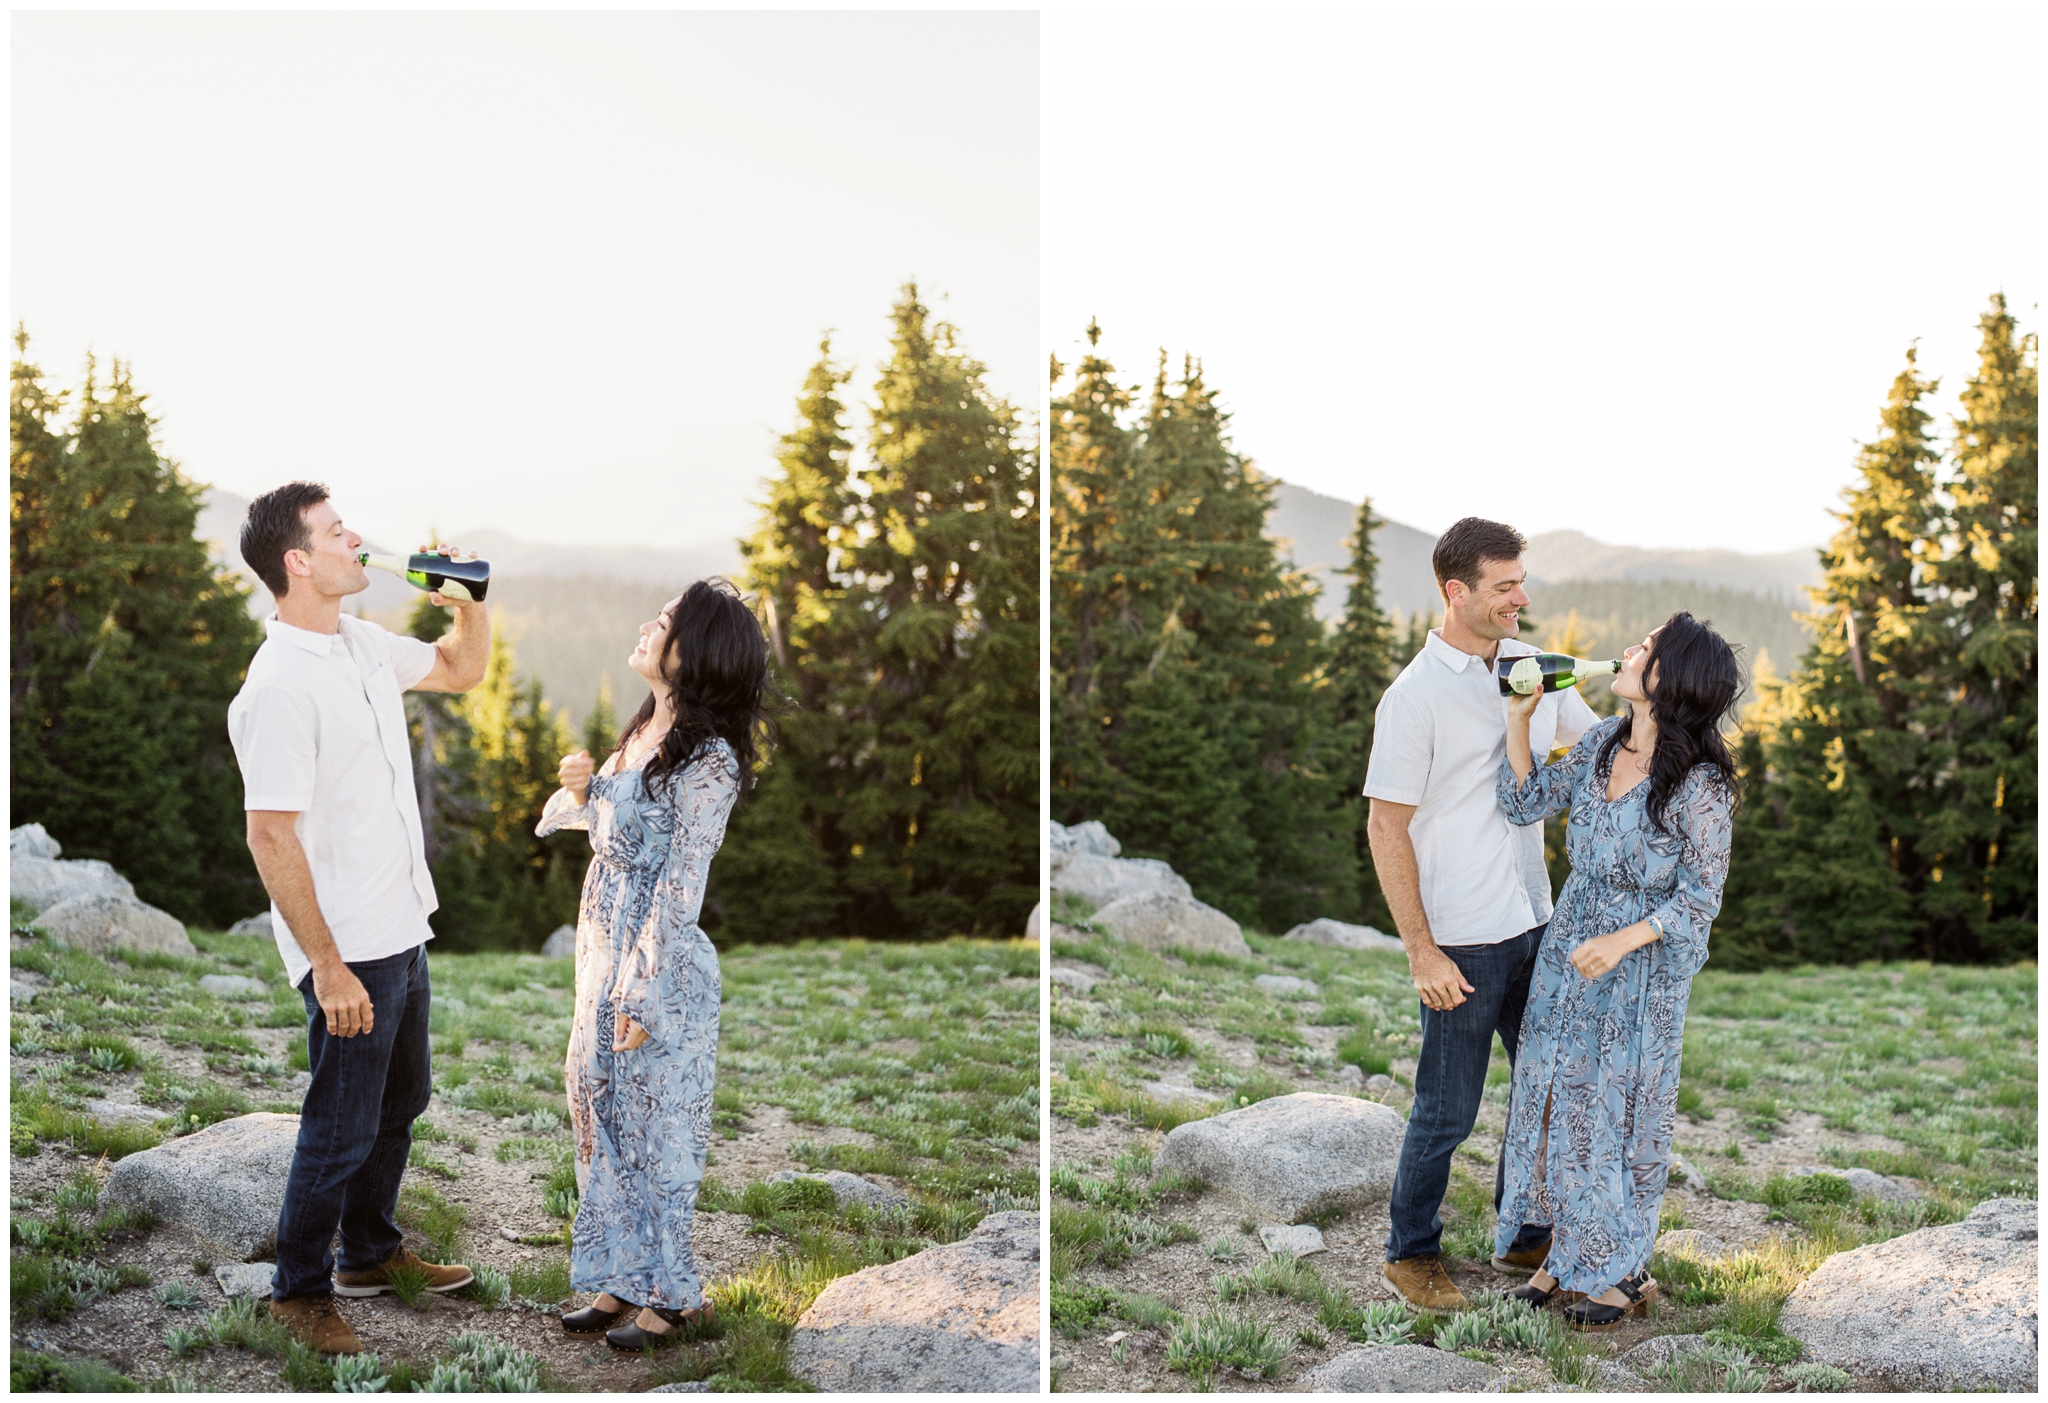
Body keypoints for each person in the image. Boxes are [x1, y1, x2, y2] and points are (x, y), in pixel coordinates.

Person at [227, 483, 487, 1356]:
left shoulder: (362, 644)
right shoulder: (278, 686)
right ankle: (297, 1293)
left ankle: (368, 1254)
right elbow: (269, 836)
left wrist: (468, 609)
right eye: (339, 531)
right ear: (297, 561)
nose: (359, 539)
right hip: (348, 949)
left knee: (402, 1098)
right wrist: (328, 966)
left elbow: (460, 671)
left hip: (402, 923)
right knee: (339, 1124)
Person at [1365, 517, 1598, 1311]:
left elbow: (1597, 743)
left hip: (1539, 921)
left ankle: (1522, 1230)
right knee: (1446, 1108)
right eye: (1504, 586)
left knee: (1548, 1085)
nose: (1521, 598)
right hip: (1462, 938)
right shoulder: (1414, 698)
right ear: (1456, 591)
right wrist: (1422, 952)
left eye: (1520, 581)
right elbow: (1385, 826)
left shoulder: (1532, 667)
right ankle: (1410, 1254)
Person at [538, 577, 768, 1351]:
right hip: (600, 949)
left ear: (691, 652)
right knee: (593, 1100)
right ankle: (622, 1274)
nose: (646, 626)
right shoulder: (645, 730)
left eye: (664, 622)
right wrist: (582, 789)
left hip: (656, 962)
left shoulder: (710, 762)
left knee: (655, 1126)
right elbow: (618, 831)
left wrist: (642, 990)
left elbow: (679, 882)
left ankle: (676, 1294)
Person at [1493, 613, 1740, 1330]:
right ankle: (1563, 1257)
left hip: (1639, 975)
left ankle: (1624, 1272)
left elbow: (1699, 900)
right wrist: (1520, 718)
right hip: (1569, 951)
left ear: (1674, 678)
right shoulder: (1603, 739)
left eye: (1648, 648)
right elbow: (1523, 801)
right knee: (1553, 1101)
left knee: (1617, 1114)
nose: (1630, 651)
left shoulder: (1703, 785)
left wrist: (1624, 940)